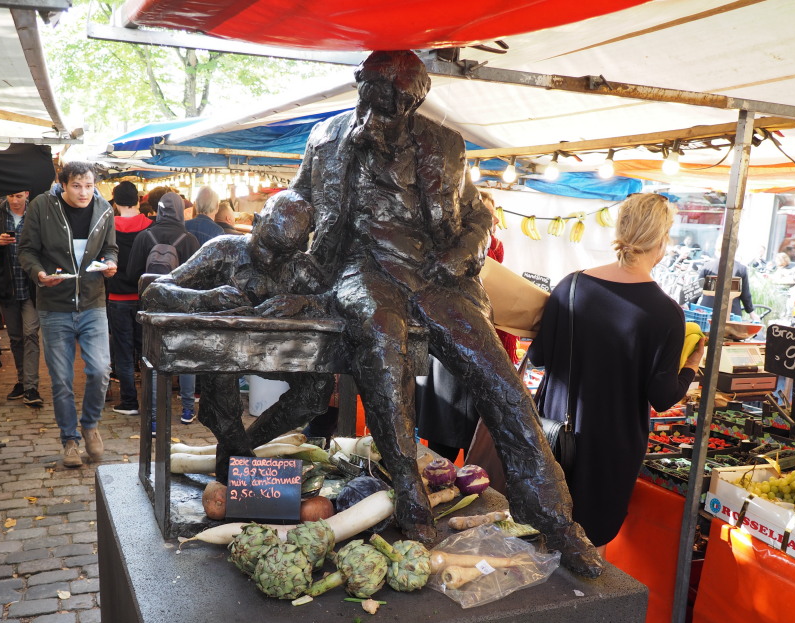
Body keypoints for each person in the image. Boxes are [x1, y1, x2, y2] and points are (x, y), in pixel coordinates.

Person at [291, 50, 601, 576]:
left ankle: (555, 520)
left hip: (435, 275)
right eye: (372, 97)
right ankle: (410, 497)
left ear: (415, 102)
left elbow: (477, 215)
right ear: (360, 85)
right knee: (383, 353)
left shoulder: (444, 144)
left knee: (501, 382)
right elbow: (298, 202)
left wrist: (461, 254)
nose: (380, 113)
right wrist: (273, 248)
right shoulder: (326, 137)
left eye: (395, 104)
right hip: (361, 268)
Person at [528, 193, 704, 555]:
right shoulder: (665, 313)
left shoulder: (571, 286)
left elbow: (539, 357)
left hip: (552, 430)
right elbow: (663, 396)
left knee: (539, 530)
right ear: (662, 241)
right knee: (589, 547)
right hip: (611, 446)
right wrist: (691, 366)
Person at [141, 190, 332, 480]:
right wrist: (205, 298)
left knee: (318, 388)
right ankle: (237, 453)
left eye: (284, 254)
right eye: (267, 248)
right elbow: (155, 291)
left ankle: (239, 450)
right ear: (255, 223)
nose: (271, 261)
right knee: (220, 373)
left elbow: (334, 300)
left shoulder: (299, 266)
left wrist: (304, 302)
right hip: (223, 354)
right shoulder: (223, 250)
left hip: (276, 354)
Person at [17, 162, 118, 469]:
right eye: (76, 186)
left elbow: (111, 248)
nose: (83, 192)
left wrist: (109, 263)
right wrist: (39, 273)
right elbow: (26, 250)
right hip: (54, 305)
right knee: (61, 379)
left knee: (100, 370)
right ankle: (69, 440)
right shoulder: (41, 206)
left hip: (92, 302)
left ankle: (90, 425)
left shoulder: (104, 209)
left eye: (88, 185)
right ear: (62, 185)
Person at [415, 188, 517, 462]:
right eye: (488, 215)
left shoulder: (492, 252)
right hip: (448, 365)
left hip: (475, 364)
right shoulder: (447, 254)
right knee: (441, 457)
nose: (495, 222)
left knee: (475, 456)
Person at [126, 192, 201, 426]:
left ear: (158, 210)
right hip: (182, 309)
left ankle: (155, 419)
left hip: (152, 309)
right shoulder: (189, 239)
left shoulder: (143, 237)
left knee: (154, 361)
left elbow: (132, 274)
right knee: (186, 357)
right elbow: (198, 279)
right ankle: (187, 410)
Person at [0, 190, 42, 407]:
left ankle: (31, 387)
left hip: (31, 285)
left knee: (31, 334)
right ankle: (22, 380)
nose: (15, 200)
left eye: (19, 196)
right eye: (11, 196)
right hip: (8, 285)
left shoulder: (36, 212)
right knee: (15, 337)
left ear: (26, 194)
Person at [107, 181, 153, 416]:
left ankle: (129, 402)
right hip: (144, 297)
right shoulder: (150, 227)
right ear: (138, 200)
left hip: (117, 297)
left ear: (115, 202)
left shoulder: (108, 228)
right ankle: (151, 402)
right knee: (147, 352)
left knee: (123, 352)